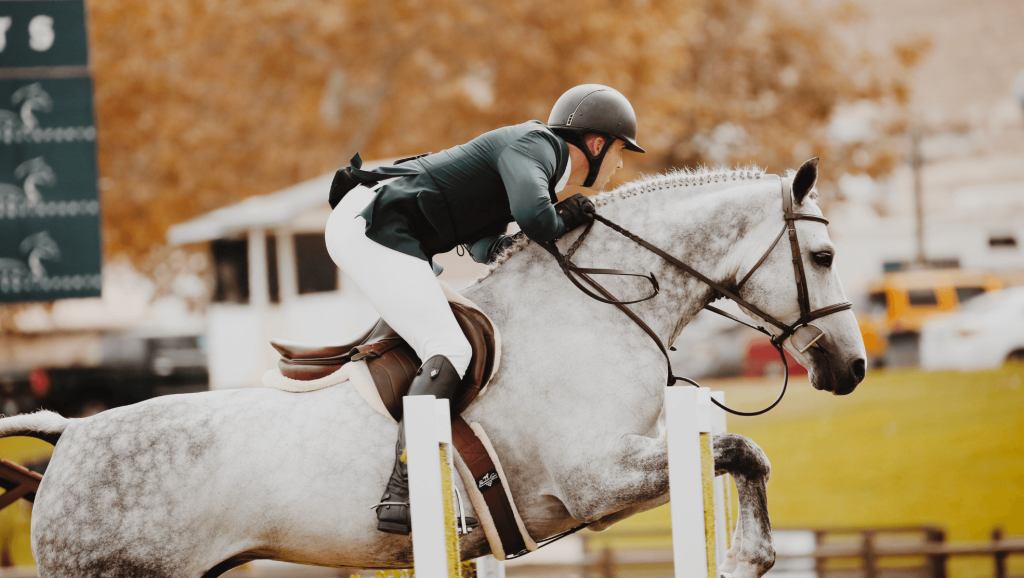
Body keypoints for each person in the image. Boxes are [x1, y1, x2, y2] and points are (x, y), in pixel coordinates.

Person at [323, 84, 644, 535]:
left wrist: (514, 241)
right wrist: (573, 211)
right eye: (621, 150)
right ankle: (404, 490)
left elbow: (482, 244)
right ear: (596, 144)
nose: (621, 163)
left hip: (382, 226)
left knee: (449, 342)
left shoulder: (536, 161)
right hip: (373, 225)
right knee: (450, 349)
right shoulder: (537, 147)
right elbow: (538, 220)